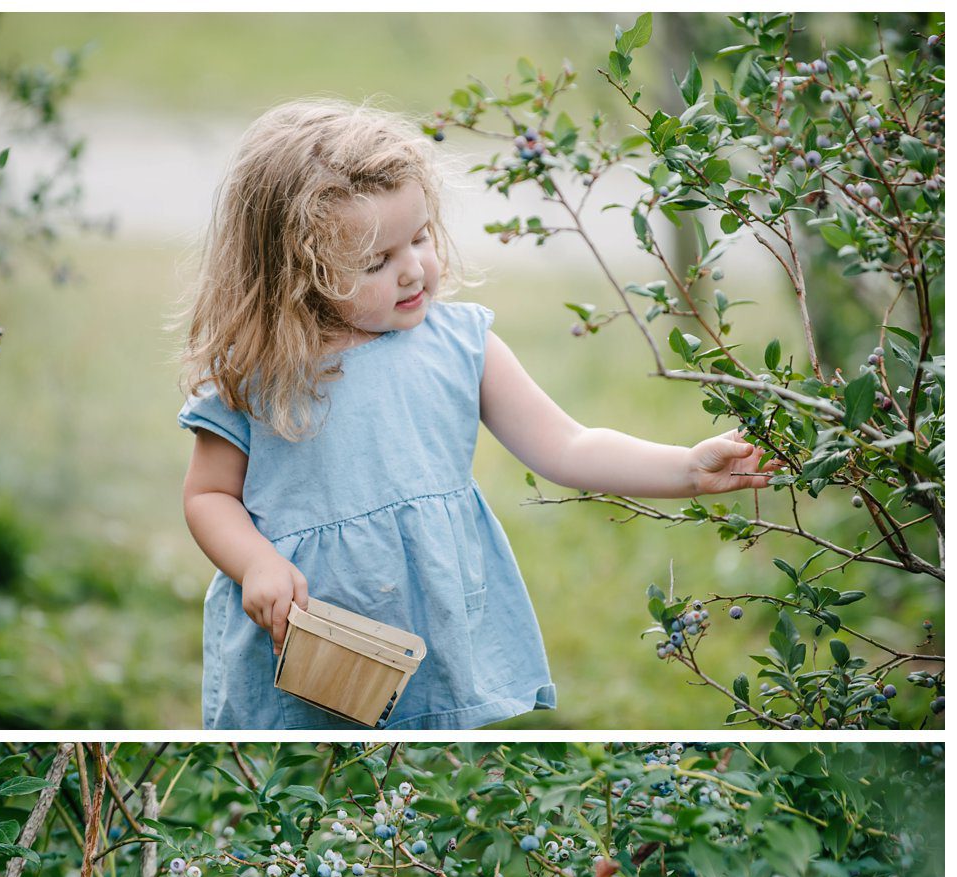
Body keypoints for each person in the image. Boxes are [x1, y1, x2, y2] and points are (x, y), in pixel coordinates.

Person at [179, 99, 771, 730]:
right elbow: (210, 496)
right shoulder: (262, 375)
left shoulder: (461, 344)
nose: (414, 269)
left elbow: (566, 447)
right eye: (376, 262)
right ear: (297, 275)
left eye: (421, 237)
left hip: (430, 626)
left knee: (424, 770)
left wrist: (685, 468)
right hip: (308, 638)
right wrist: (255, 563)